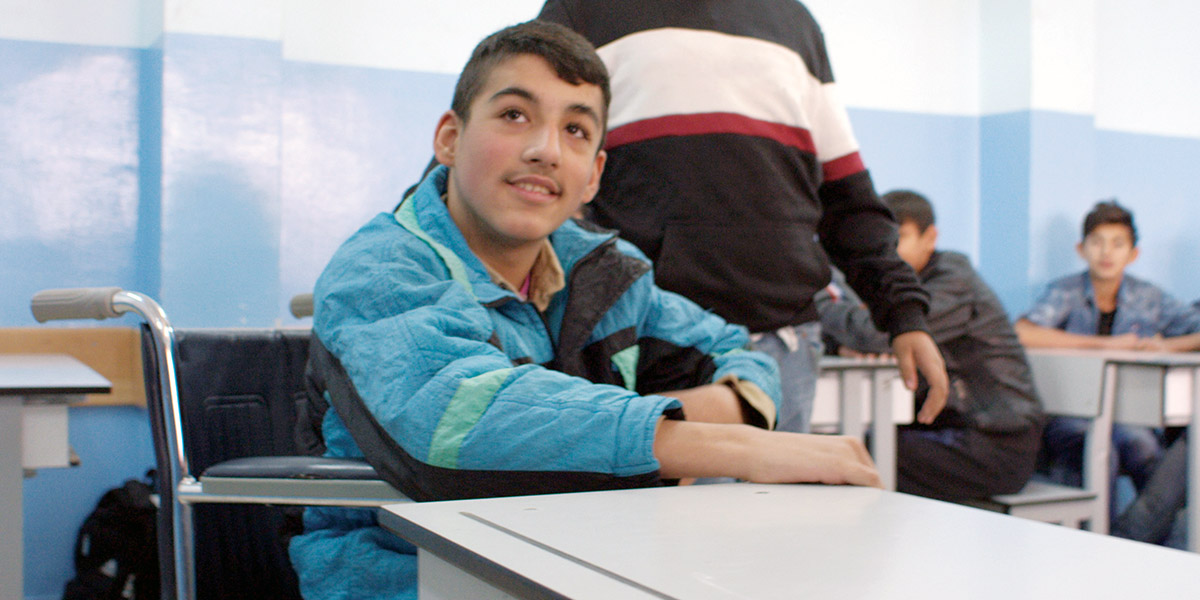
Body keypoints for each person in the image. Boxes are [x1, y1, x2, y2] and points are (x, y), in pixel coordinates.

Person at [288, 21, 888, 600]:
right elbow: (456, 418)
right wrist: (738, 446)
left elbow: (736, 350)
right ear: (449, 137)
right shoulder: (383, 268)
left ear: (595, 175)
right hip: (410, 571)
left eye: (576, 130)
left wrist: (715, 410)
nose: (545, 150)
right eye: (514, 114)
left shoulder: (606, 270)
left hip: (580, 555)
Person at [537, 0, 949, 434]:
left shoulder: (796, 23)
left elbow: (846, 194)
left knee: (778, 503)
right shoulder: (584, 9)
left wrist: (903, 314)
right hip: (655, 343)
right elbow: (545, 164)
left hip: (785, 343)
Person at [814, 190, 1044, 501]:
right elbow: (860, 335)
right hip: (942, 430)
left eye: (900, 239)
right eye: (883, 242)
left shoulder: (953, 282)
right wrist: (842, 346)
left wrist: (820, 302)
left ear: (930, 237)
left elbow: (878, 335)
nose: (888, 252)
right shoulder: (903, 289)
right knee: (838, 447)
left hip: (997, 443)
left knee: (850, 457)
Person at [1015, 200, 1200, 525]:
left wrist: (1166, 345)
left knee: (1145, 449)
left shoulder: (1149, 297)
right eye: (1097, 242)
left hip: (1130, 417)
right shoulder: (1066, 291)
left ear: (1133, 253)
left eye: (1118, 244)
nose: (1106, 252)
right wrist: (1104, 345)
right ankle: (1096, 539)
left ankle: (1140, 541)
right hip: (1072, 415)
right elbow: (1024, 331)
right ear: (1081, 248)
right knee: (1100, 452)